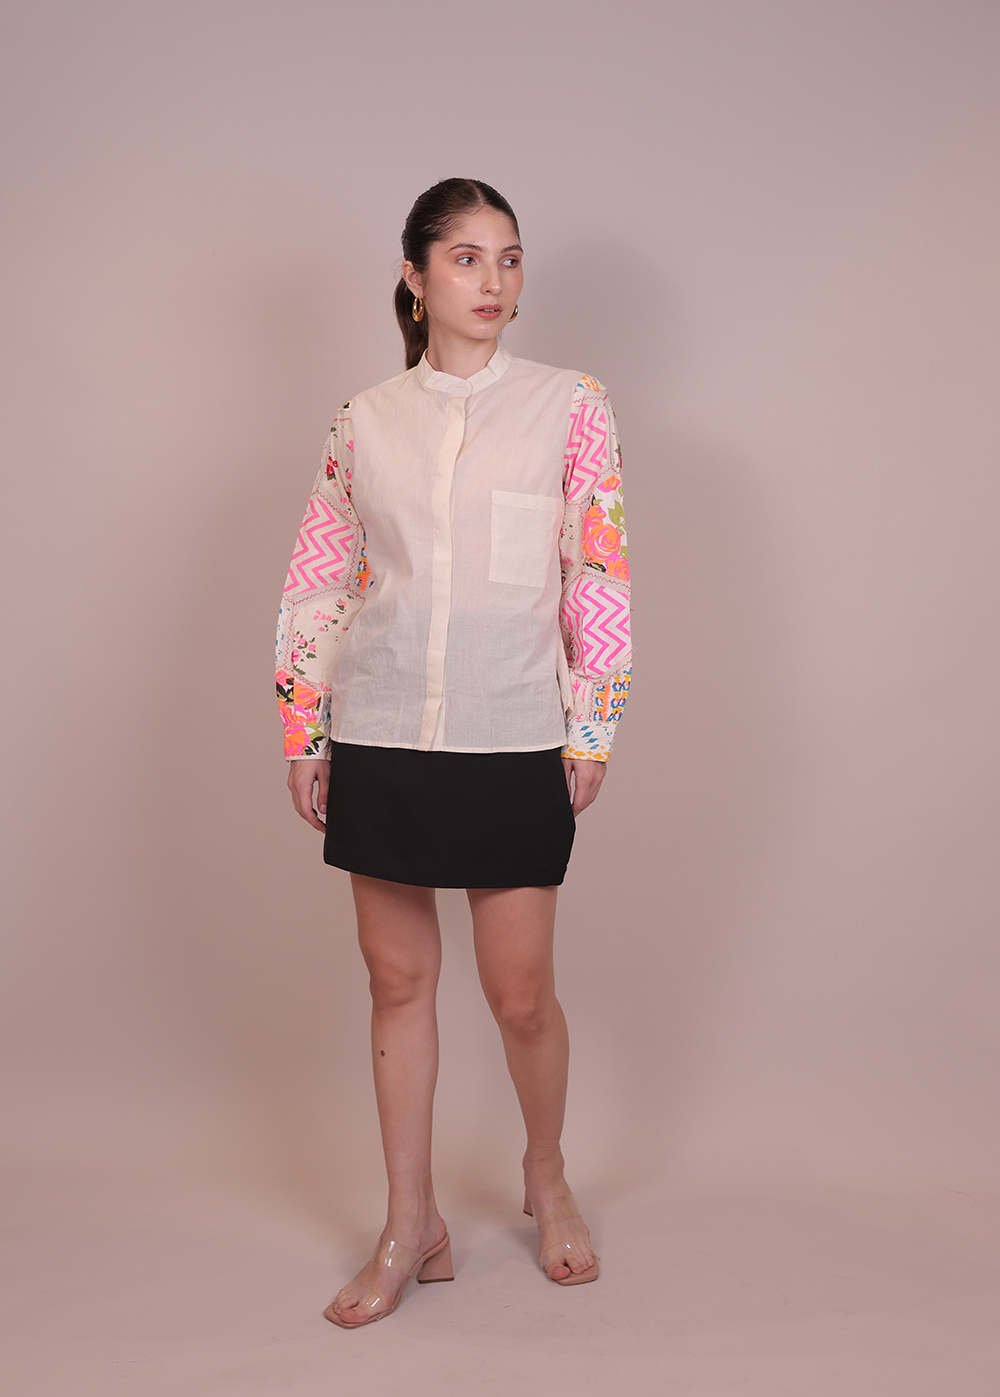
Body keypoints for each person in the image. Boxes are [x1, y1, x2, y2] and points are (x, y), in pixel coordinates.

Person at [275, 178, 632, 1327]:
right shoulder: (362, 420)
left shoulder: (569, 404)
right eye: (468, 257)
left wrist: (591, 724)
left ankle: (546, 1173)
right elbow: (320, 578)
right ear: (415, 277)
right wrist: (304, 722)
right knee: (397, 984)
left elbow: (597, 569)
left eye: (510, 258)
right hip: (381, 727)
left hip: (512, 726)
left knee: (521, 995)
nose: (493, 279)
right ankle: (409, 1220)